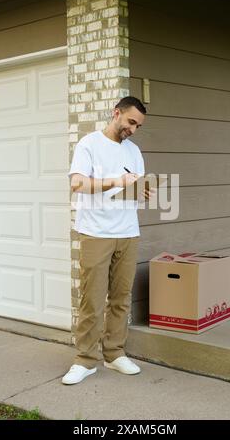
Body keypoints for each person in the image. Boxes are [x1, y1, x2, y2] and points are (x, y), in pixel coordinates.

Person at [62, 96, 155, 385]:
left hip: (128, 232)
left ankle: (114, 354)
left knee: (120, 298)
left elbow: (134, 186)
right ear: (116, 113)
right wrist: (115, 181)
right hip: (96, 233)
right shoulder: (89, 144)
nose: (133, 129)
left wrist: (144, 191)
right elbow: (77, 183)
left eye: (138, 125)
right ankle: (85, 360)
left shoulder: (134, 151)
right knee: (92, 299)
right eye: (130, 122)